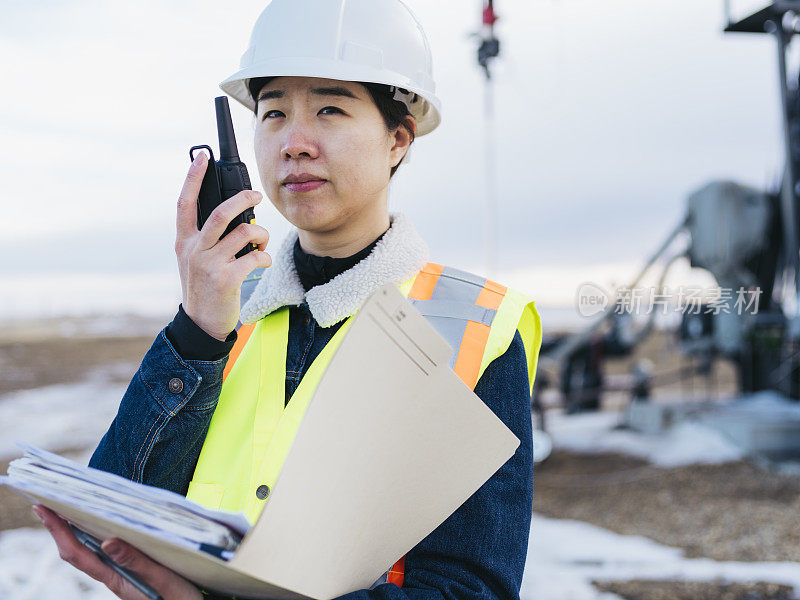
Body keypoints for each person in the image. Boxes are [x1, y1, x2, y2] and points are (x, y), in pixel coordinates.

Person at [34, 1, 543, 598]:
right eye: (273, 113)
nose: (294, 143)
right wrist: (195, 332)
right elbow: (115, 511)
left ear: (397, 140)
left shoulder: (473, 327)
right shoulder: (224, 309)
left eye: (329, 109)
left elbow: (469, 587)